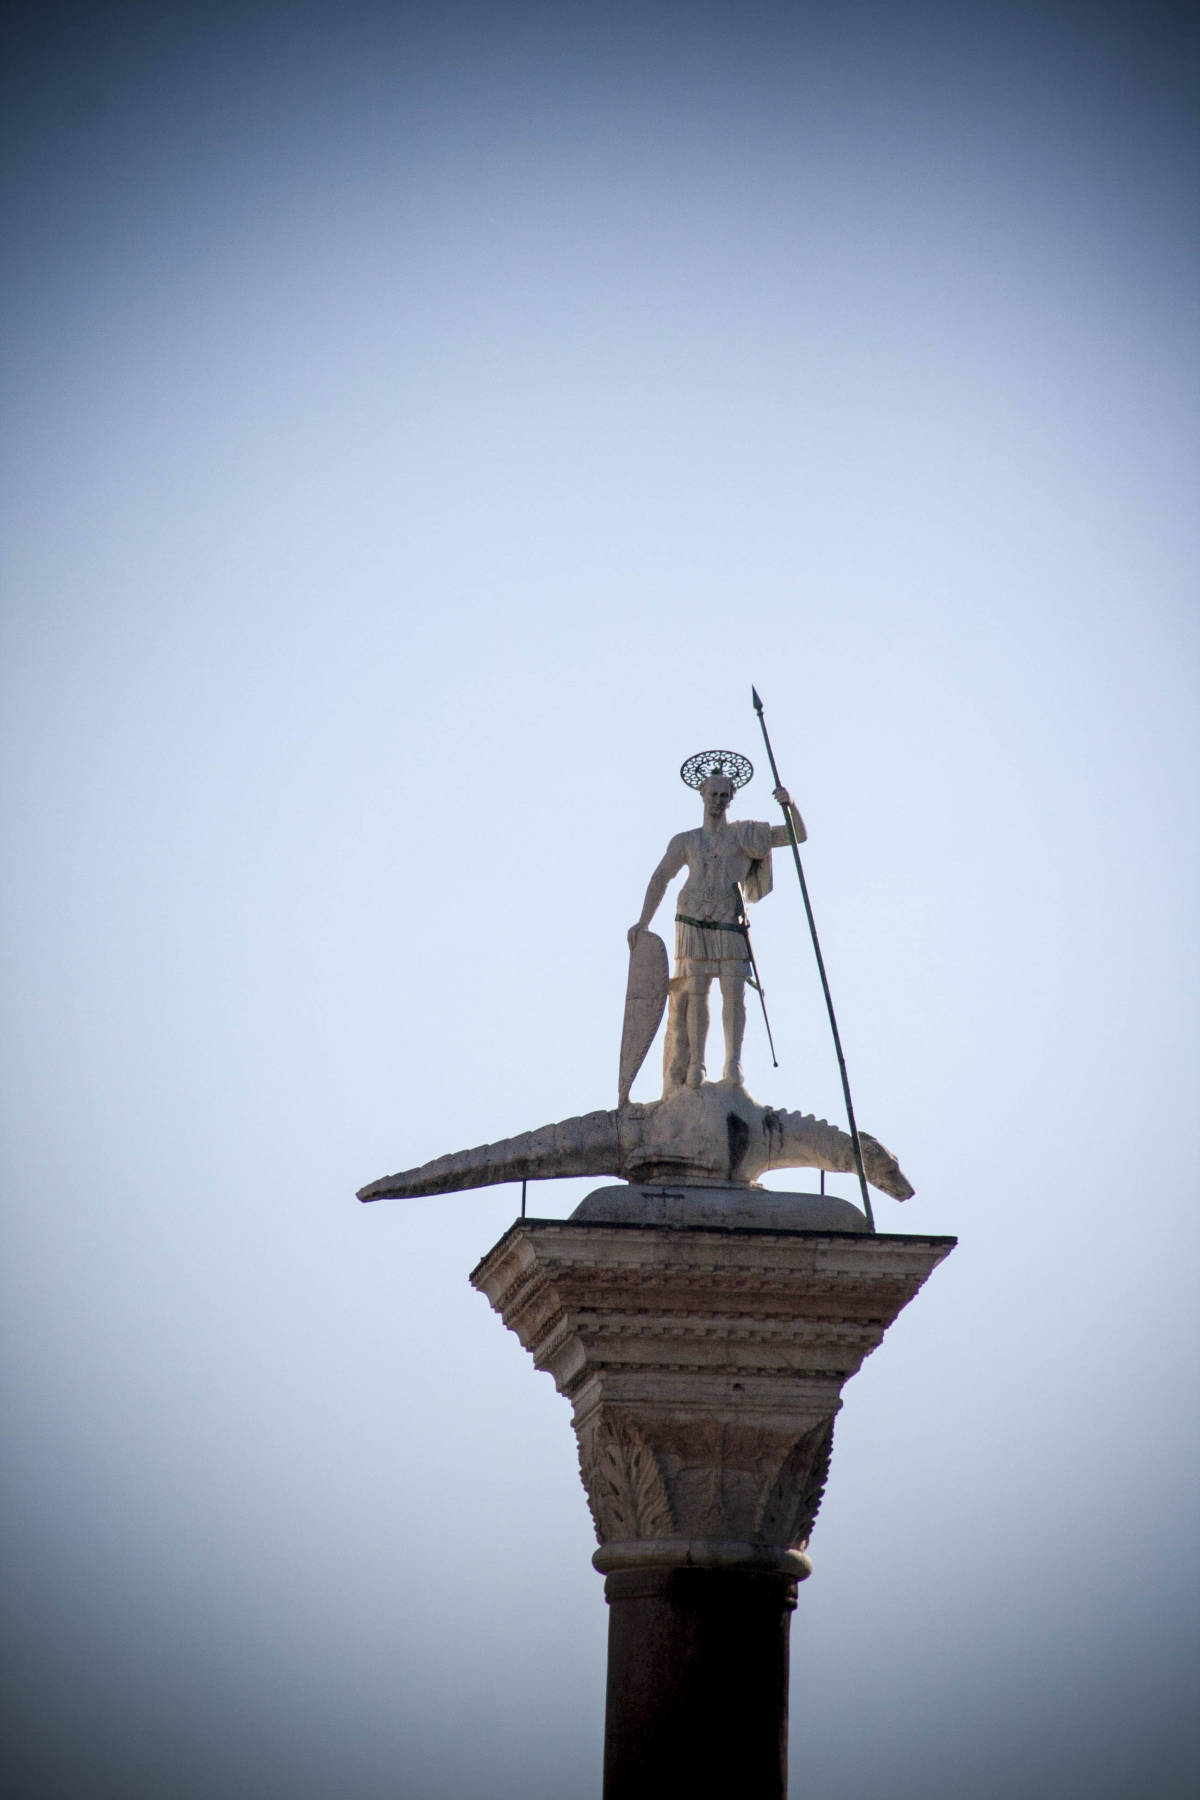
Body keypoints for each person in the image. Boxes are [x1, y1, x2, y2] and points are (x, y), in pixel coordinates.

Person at [628, 763, 805, 1090]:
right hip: (692, 915)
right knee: (696, 992)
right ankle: (697, 1064)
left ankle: (733, 1062)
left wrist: (789, 804)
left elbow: (797, 835)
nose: (718, 800)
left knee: (733, 990)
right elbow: (660, 878)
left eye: (724, 795)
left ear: (731, 797)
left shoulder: (745, 834)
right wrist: (644, 921)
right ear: (702, 794)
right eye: (713, 794)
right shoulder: (686, 840)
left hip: (729, 915)